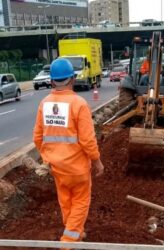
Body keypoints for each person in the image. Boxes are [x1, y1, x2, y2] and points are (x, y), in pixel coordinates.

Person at [33, 58, 104, 244]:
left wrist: (48, 156)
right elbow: (88, 140)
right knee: (80, 202)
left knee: (66, 202)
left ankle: (76, 234)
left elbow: (37, 138)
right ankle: (68, 242)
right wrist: (97, 161)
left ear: (52, 81)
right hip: (78, 168)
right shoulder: (79, 104)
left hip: (57, 167)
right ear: (72, 79)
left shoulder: (45, 104)